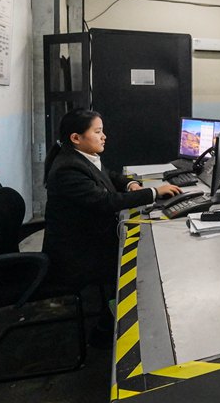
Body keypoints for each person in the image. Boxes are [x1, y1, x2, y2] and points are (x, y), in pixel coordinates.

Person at [43, 109, 180, 343]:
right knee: (142, 261)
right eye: (97, 132)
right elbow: (106, 201)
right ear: (76, 137)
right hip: (77, 254)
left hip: (88, 237)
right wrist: (154, 192)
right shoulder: (68, 168)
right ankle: (109, 329)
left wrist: (131, 185)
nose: (104, 136)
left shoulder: (80, 157)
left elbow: (109, 176)